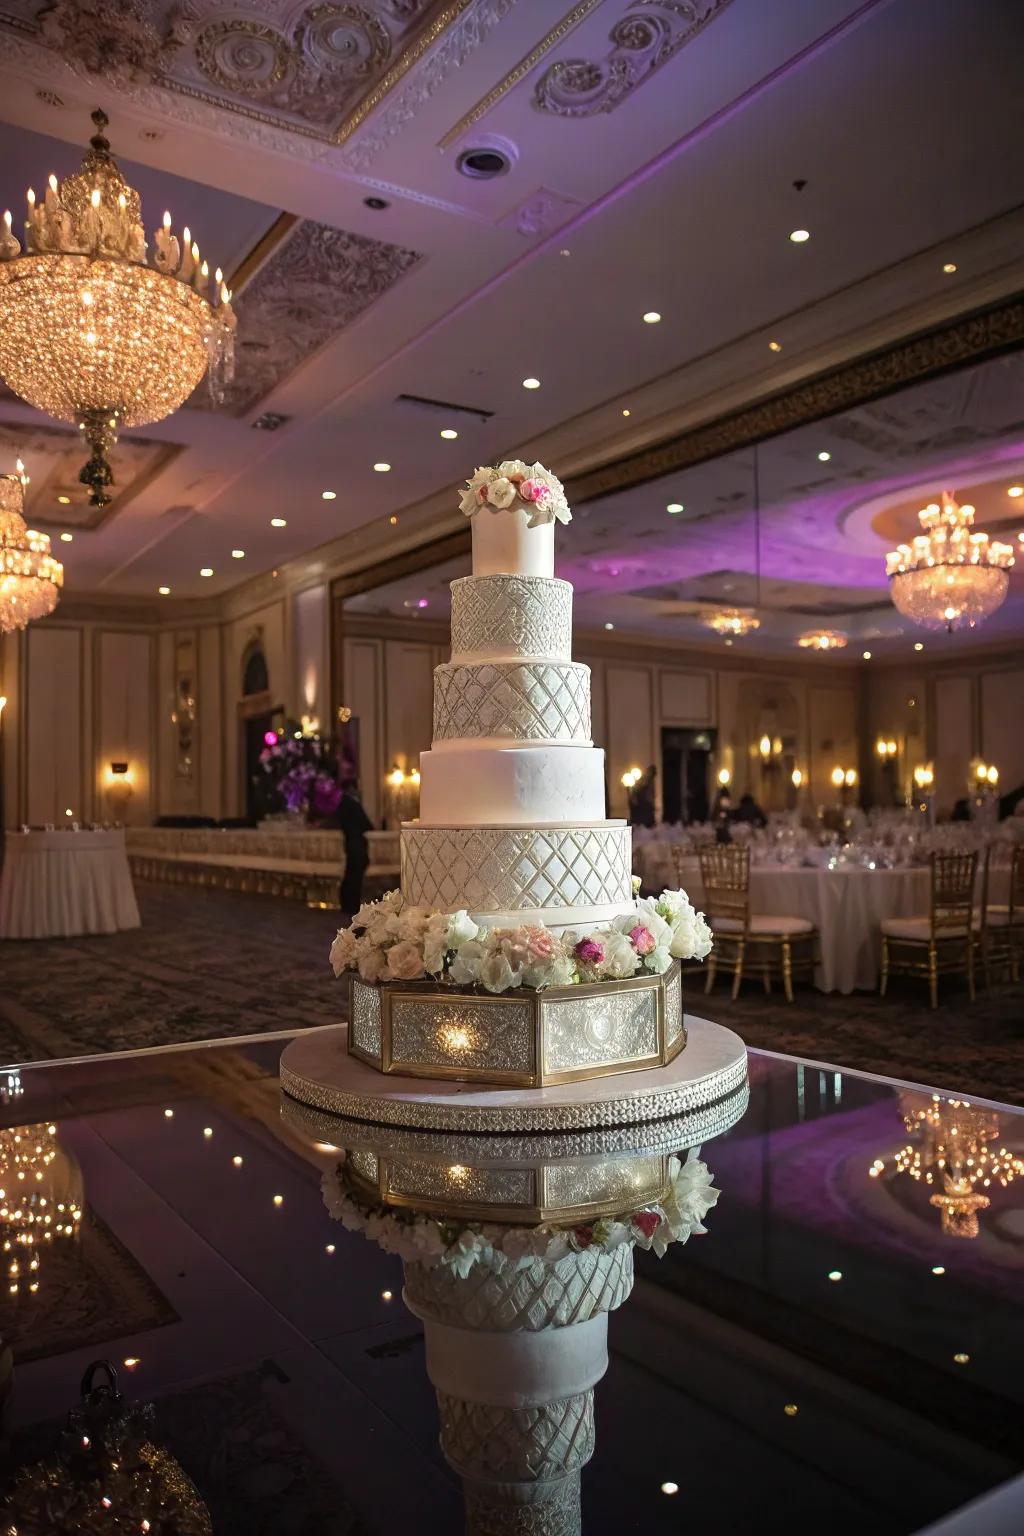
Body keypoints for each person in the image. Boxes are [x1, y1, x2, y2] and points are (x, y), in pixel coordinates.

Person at [337, 789, 374, 920]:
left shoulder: (343, 804)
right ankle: (351, 905)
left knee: (351, 875)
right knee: (354, 876)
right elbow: (367, 824)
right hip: (356, 844)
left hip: (351, 844)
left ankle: (348, 904)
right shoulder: (351, 804)